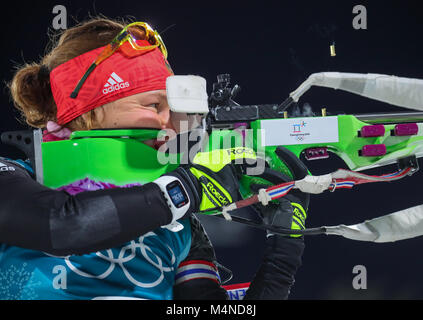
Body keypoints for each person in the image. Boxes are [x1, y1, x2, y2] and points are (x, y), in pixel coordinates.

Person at [0, 17, 309, 300]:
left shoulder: (176, 224)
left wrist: (284, 246)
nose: (171, 126)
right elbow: (64, 225)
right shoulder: (11, 177)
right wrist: (187, 189)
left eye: (175, 111)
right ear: (90, 113)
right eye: (152, 105)